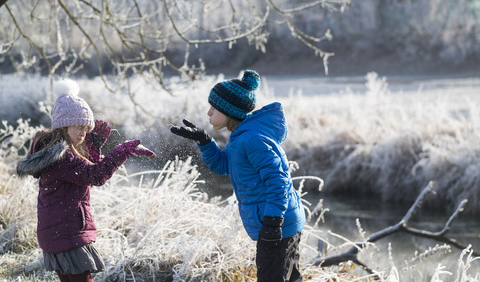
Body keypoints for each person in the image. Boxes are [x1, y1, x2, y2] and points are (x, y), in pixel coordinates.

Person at [170, 70, 305, 282]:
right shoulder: (241, 136)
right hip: (279, 221)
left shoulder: (252, 139)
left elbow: (278, 180)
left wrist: (272, 221)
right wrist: (204, 141)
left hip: (279, 223)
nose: (208, 112)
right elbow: (225, 165)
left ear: (229, 110)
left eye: (214, 108)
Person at [16, 79, 156, 282]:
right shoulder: (62, 157)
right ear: (63, 126)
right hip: (67, 233)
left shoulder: (58, 153)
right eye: (78, 127)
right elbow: (96, 176)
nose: (83, 132)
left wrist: (94, 147)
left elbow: (86, 172)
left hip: (58, 232)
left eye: (86, 127)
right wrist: (122, 150)